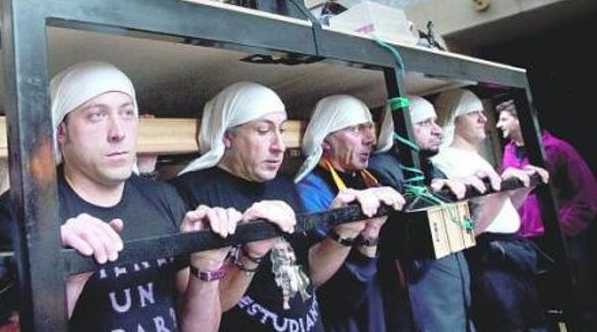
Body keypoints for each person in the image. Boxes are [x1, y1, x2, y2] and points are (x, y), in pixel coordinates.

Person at [0, 61, 241, 331]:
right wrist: (68, 281)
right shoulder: (20, 213)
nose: (118, 132)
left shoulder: (164, 197)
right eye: (96, 115)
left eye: (128, 113)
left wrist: (206, 266)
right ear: (61, 131)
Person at [173, 82, 402, 332]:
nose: (279, 145)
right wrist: (250, 254)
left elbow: (309, 274)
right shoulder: (188, 194)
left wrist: (344, 231)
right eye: (263, 131)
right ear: (227, 136)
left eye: (281, 131)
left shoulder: (283, 187)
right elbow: (197, 307)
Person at [432, 89, 548, 332]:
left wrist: (525, 187)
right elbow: (470, 228)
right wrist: (502, 191)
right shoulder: (443, 161)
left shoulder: (474, 158)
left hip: (512, 252)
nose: (485, 119)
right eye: (474, 113)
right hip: (489, 258)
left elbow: (501, 212)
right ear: (454, 118)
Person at [370, 95, 486, 331]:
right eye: (424, 123)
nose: (437, 131)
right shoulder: (381, 169)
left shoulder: (432, 168)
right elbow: (400, 239)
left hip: (452, 293)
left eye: (435, 121)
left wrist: (474, 198)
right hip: (421, 296)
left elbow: (459, 228)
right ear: (398, 128)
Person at [296, 95, 405, 332]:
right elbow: (330, 284)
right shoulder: (309, 192)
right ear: (325, 140)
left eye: (369, 128)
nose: (370, 139)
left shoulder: (371, 180)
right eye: (356, 129)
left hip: (379, 310)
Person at [495, 99, 597, 328]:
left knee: (579, 300)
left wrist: (561, 230)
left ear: (520, 119)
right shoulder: (509, 152)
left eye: (503, 119)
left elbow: (587, 195)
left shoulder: (558, 149)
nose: (499, 125)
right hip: (529, 242)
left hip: (563, 241)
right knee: (543, 301)